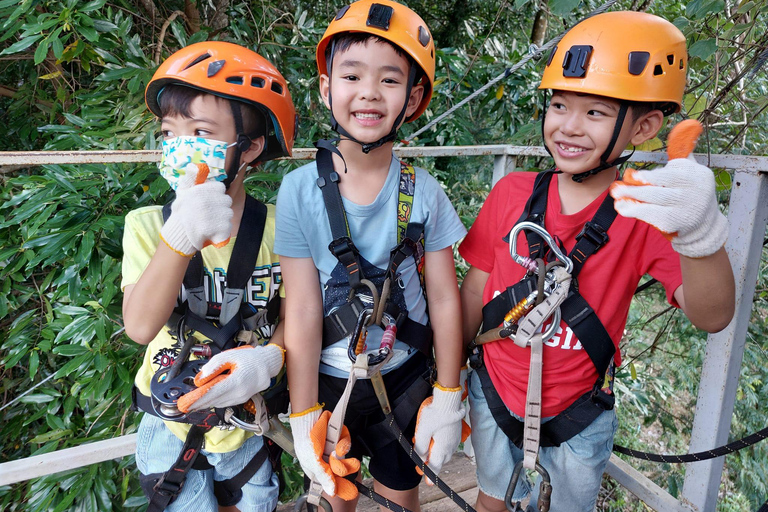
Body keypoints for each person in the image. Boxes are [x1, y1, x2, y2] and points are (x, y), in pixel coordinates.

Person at [459, 11, 735, 512]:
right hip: (495, 388)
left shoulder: (642, 215)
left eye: (596, 113)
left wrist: (700, 234)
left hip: (578, 410)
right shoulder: (511, 193)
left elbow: (712, 314)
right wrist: (447, 378)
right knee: (491, 500)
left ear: (645, 126)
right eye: (560, 105)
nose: (569, 125)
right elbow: (476, 291)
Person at [274, 1, 467, 510]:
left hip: (404, 377)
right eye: (352, 75)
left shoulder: (424, 192)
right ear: (325, 87)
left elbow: (445, 300)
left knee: (402, 497)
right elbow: (301, 307)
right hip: (327, 379)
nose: (368, 93)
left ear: (413, 96)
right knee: (337, 495)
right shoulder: (298, 191)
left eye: (388, 80)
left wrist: (449, 396)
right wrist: (301, 413)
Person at [121, 41, 297, 512]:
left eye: (199, 131)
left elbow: (298, 312)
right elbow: (140, 326)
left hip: (247, 417)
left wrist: (271, 356)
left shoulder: (281, 230)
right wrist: (178, 238)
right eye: (169, 132)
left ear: (251, 147)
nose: (180, 146)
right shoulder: (148, 225)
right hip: (170, 423)